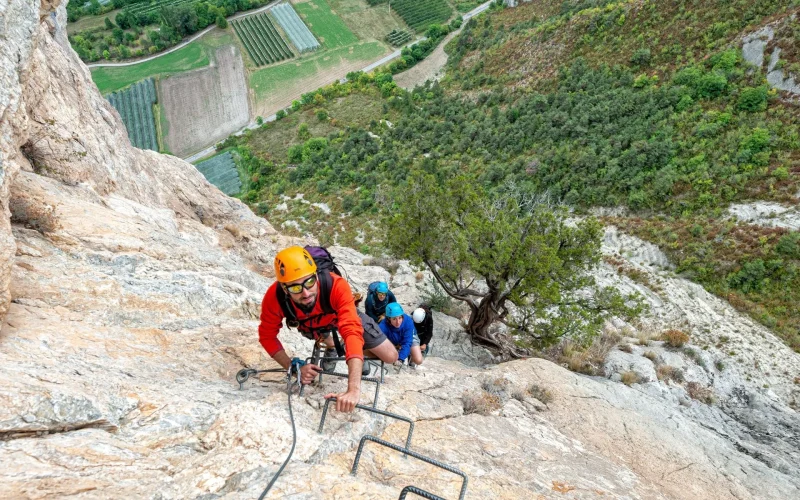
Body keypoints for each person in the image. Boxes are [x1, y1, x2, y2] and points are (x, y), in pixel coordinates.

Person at [258, 246, 399, 412]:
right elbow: (267, 336)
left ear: (316, 275)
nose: (305, 293)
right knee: (333, 343)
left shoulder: (335, 286)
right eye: (295, 288)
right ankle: (337, 345)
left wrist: (353, 389)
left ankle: (348, 349)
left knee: (391, 356)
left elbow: (352, 330)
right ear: (284, 288)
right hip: (314, 326)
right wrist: (294, 368)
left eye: (310, 282)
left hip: (340, 314)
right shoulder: (274, 298)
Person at [378, 303, 424, 368]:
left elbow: (407, 342)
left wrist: (400, 358)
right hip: (393, 338)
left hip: (409, 336)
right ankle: (400, 350)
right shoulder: (383, 326)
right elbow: (378, 340)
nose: (398, 322)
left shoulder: (408, 322)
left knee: (418, 360)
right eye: (394, 319)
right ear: (388, 319)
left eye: (400, 318)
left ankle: (410, 355)